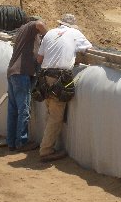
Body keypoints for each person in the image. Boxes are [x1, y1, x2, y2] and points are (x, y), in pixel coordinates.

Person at [36, 13, 92, 162]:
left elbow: (39, 58)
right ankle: (46, 150)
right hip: (59, 77)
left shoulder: (49, 33)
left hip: (44, 75)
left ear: (61, 23)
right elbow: (88, 48)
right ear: (72, 25)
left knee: (49, 111)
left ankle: (45, 144)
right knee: (56, 115)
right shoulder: (75, 33)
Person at [6, 15, 48, 151]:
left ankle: (11, 142)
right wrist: (49, 36)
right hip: (21, 73)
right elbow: (39, 24)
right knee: (24, 110)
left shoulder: (21, 33)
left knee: (13, 110)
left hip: (13, 73)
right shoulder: (29, 27)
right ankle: (21, 142)